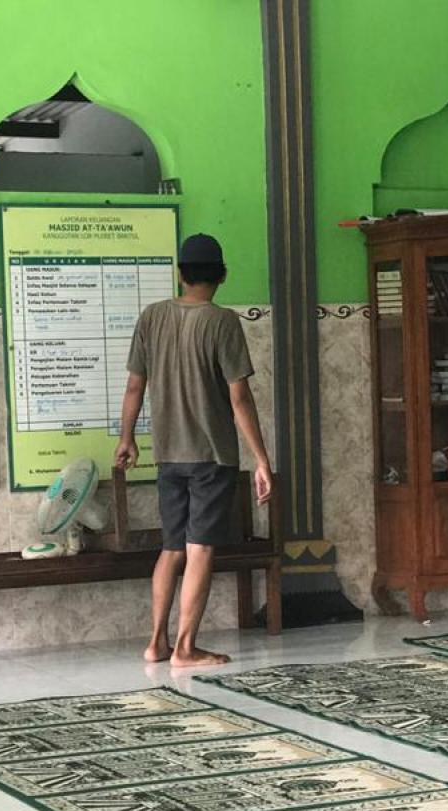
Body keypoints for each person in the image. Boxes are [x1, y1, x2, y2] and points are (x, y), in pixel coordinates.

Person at [114, 233, 273, 667]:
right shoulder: (222, 322)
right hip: (210, 455)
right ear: (221, 276)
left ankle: (155, 643)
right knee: (200, 547)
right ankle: (185, 648)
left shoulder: (152, 317)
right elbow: (238, 397)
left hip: (168, 453)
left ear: (180, 274)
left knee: (172, 548)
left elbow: (134, 385)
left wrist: (127, 438)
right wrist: (261, 458)